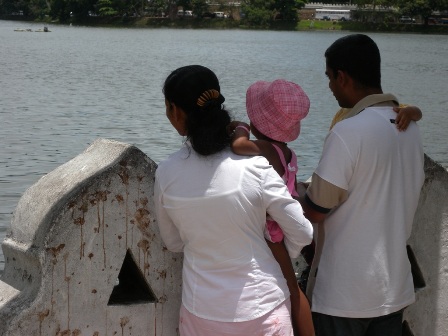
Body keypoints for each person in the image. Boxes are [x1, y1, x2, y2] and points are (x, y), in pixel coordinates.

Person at [154, 65, 314, 335]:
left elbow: (173, 242)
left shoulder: (167, 173)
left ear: (176, 111)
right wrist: (280, 245)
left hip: (202, 312)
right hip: (264, 311)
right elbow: (303, 231)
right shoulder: (255, 167)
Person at [297, 34, 425, 336]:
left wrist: (296, 193)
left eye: (329, 77)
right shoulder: (409, 128)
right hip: (393, 289)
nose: (329, 87)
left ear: (342, 76)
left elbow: (316, 210)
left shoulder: (348, 131)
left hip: (345, 295)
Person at [228, 79, 314, 336]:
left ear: (257, 123)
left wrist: (239, 128)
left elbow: (238, 145)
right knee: (291, 286)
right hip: (282, 225)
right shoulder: (287, 152)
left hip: (272, 231)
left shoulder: (265, 149)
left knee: (291, 287)